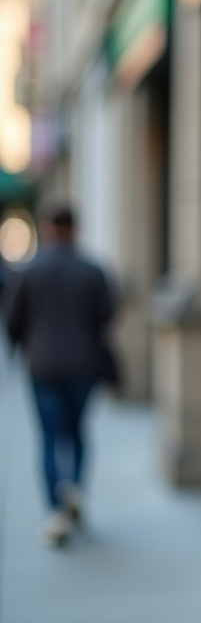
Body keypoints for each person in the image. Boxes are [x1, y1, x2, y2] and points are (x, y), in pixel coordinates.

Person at [5, 203, 115, 547]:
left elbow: (13, 320)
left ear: (47, 228)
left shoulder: (29, 270)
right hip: (84, 365)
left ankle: (56, 511)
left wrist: (21, 348)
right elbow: (107, 315)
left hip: (44, 366)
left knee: (50, 438)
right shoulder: (93, 269)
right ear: (75, 228)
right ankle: (76, 490)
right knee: (77, 432)